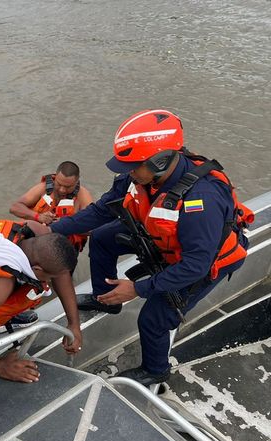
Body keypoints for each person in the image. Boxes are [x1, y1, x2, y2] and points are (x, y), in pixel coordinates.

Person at [47, 109, 253, 386]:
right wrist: (49, 230)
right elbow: (101, 211)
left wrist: (137, 288)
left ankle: (156, 369)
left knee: (154, 318)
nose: (128, 173)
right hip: (165, 236)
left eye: (133, 166)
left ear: (160, 160)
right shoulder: (137, 175)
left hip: (202, 259)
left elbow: (196, 265)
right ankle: (106, 298)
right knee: (102, 238)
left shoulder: (201, 200)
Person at [0, 219, 83, 383]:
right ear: (37, 270)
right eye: (50, 278)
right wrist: (0, 367)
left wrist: (74, 324)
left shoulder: (36, 231)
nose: (51, 281)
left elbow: (60, 272)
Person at [10, 161, 93, 251]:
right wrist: (38, 217)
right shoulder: (42, 188)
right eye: (59, 184)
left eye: (68, 187)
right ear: (55, 177)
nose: (62, 190)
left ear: (77, 182)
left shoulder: (83, 197)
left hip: (63, 248)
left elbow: (93, 228)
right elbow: (15, 207)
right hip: (33, 239)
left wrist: (66, 223)